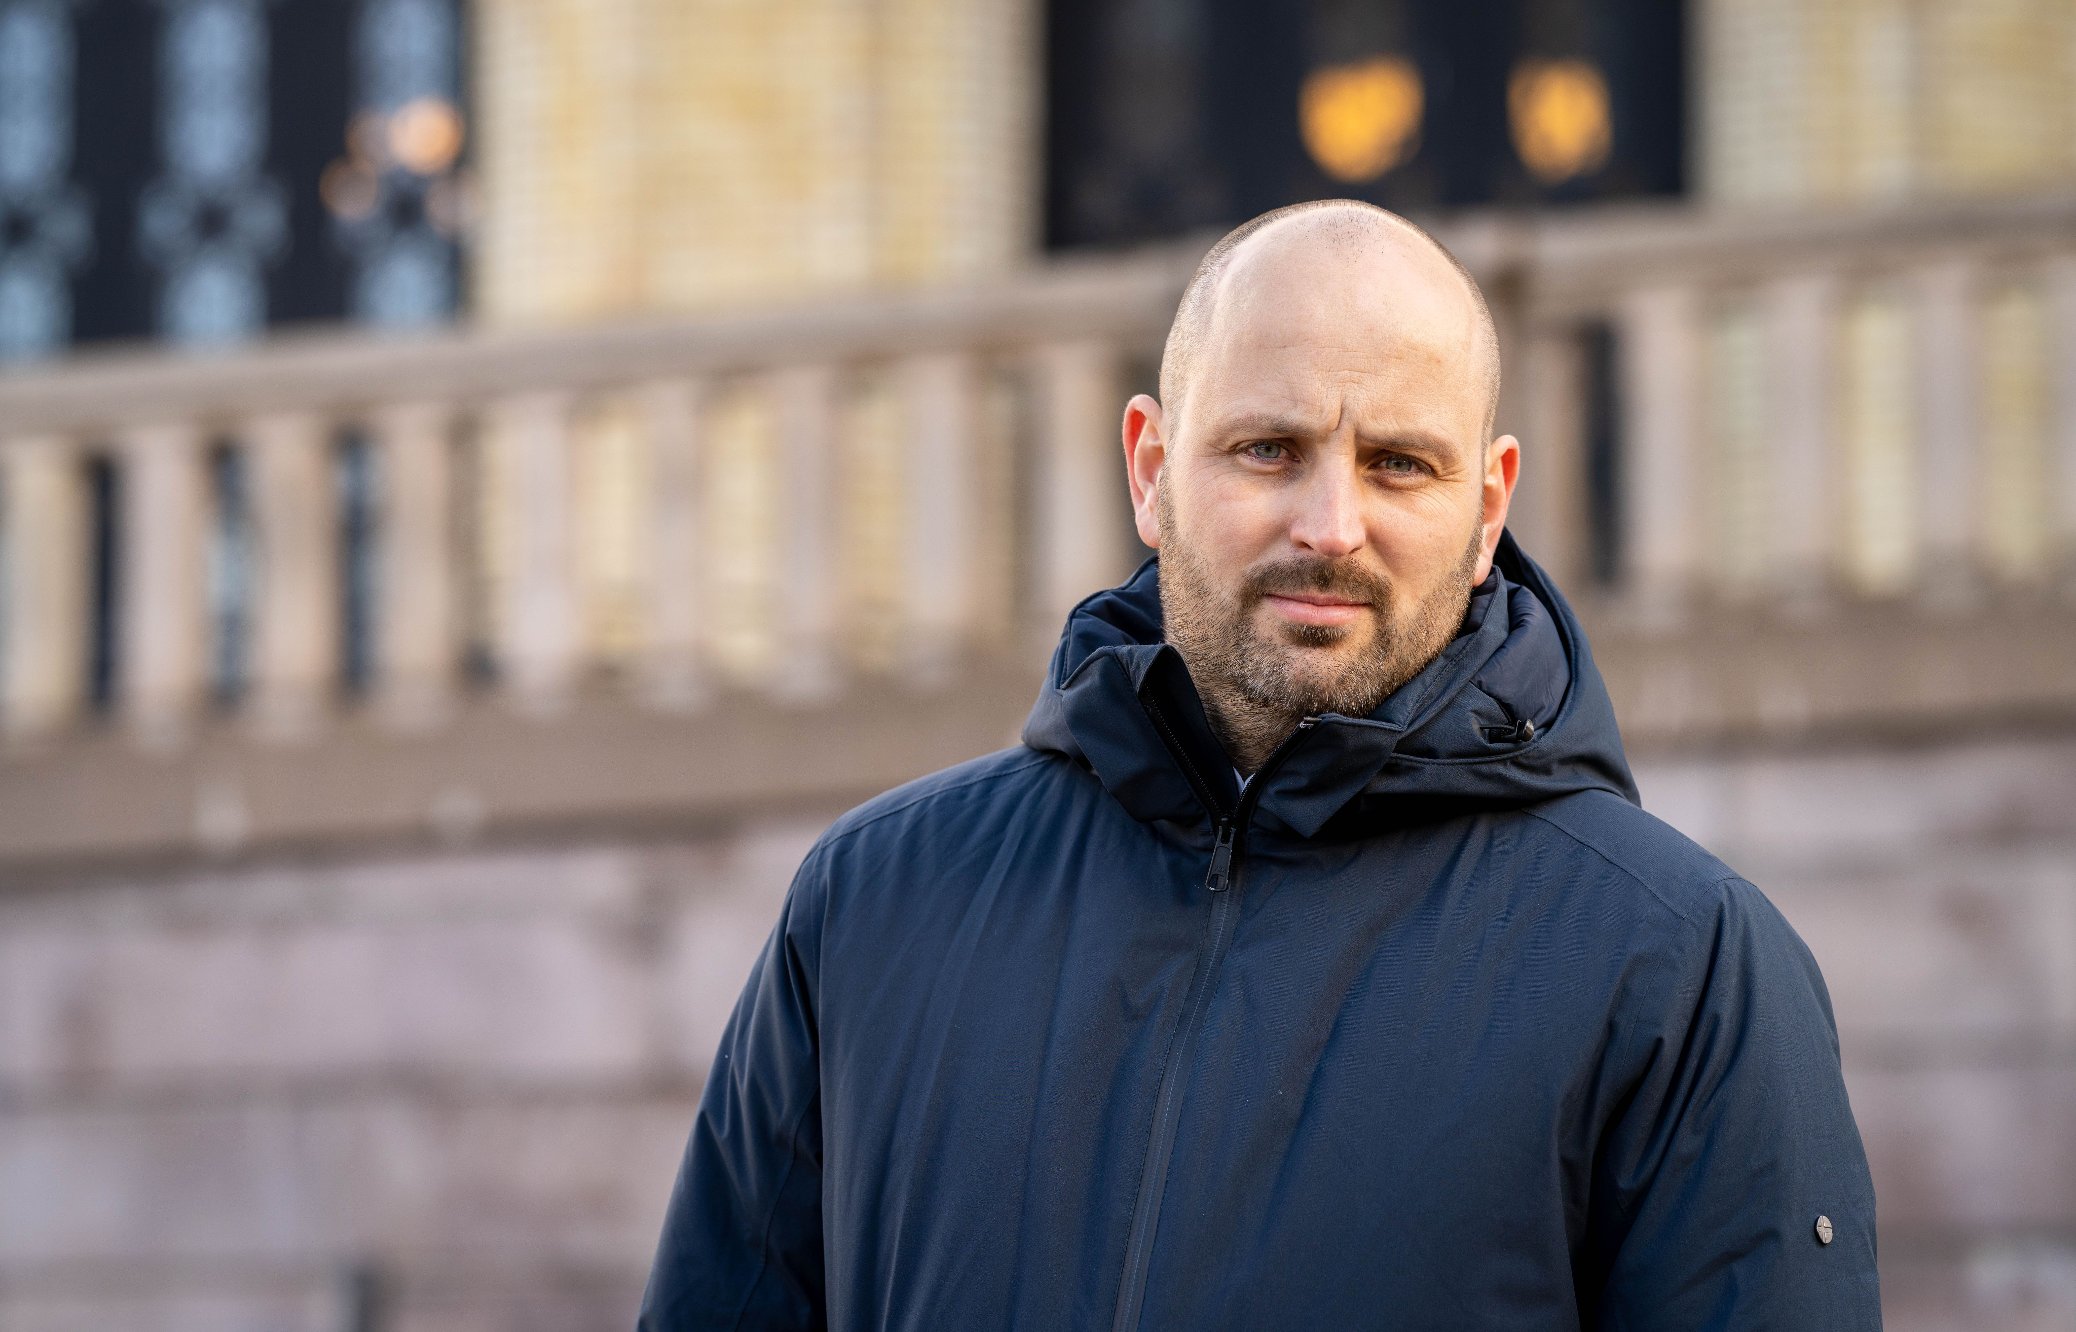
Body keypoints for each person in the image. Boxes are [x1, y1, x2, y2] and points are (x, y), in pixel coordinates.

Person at [637, 200, 1882, 1330]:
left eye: (1400, 463)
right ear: (1151, 469)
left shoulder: (1681, 965)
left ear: (1489, 507)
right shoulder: (871, 906)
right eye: (1269, 450)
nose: (1331, 527)